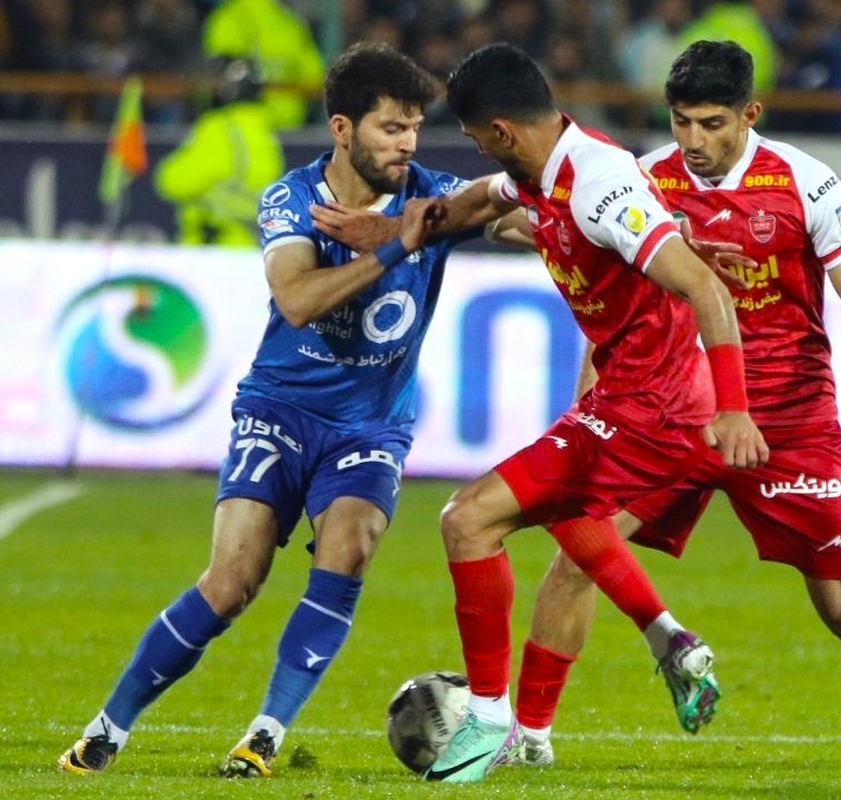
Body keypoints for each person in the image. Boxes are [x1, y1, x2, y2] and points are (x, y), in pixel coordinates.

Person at [325, 41, 770, 783]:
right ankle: (656, 645)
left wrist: (736, 409)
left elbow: (704, 288)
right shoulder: (542, 168)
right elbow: (480, 201)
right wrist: (392, 232)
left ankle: (490, 720)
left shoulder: (599, 187)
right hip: (633, 394)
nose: (477, 149)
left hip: (657, 407)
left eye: (476, 136)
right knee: (570, 521)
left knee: (469, 520)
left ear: (502, 130)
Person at [509, 39, 841, 772]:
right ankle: (528, 740)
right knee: (578, 552)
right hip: (673, 410)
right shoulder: (642, 181)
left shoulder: (807, 184)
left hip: (788, 420)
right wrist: (591, 402)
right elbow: (618, 310)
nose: (694, 140)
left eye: (712, 123)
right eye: (681, 121)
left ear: (750, 114)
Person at [57, 42, 480, 778]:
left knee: (350, 546)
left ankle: (264, 735)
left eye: (415, 127)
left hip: (370, 425)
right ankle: (107, 728)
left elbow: (521, 212)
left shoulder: (433, 198)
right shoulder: (293, 199)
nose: (407, 144)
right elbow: (296, 298)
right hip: (280, 411)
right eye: (391, 128)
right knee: (231, 583)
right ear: (343, 128)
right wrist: (393, 248)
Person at [154, 57, 285, 247]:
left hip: (213, 243)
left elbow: (172, 182)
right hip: (250, 243)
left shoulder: (220, 128)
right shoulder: (265, 132)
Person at [202, 0, 325, 129]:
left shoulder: (227, 18)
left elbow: (219, 74)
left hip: (243, 128)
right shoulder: (291, 23)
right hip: (289, 128)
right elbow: (314, 77)